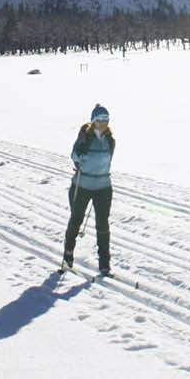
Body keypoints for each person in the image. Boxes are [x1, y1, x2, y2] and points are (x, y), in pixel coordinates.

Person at [63, 104, 115, 273]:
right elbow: (74, 156)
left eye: (106, 119)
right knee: (76, 219)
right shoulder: (85, 137)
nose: (103, 123)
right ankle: (68, 253)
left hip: (103, 186)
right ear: (93, 121)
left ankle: (105, 263)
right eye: (100, 119)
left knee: (103, 225)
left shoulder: (110, 140)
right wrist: (80, 151)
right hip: (82, 185)